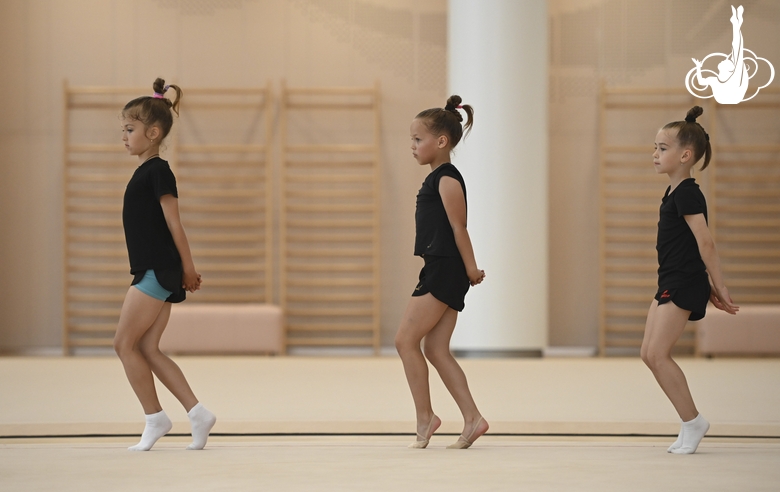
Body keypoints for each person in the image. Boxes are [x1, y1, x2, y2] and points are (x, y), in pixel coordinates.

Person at [114, 78, 216, 451]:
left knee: (124, 343)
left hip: (157, 269)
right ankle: (197, 412)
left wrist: (188, 268)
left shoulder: (158, 171)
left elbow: (175, 223)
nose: (123, 136)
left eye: (129, 129)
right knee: (148, 348)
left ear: (153, 133)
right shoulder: (146, 171)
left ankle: (155, 417)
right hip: (155, 268)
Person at [642, 106, 739, 454]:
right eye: (654, 147)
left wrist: (719, 284)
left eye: (662, 148)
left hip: (682, 281)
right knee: (648, 353)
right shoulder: (673, 193)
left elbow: (705, 241)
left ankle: (693, 421)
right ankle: (689, 422)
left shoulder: (687, 192)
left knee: (658, 353)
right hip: (671, 278)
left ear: (685, 155)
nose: (655, 154)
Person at [395, 95, 489, 449]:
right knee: (435, 348)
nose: (413, 146)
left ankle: (425, 417)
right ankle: (473, 418)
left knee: (405, 341)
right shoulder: (438, 177)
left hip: (445, 269)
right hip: (441, 267)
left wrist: (471, 268)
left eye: (418, 140)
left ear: (441, 141)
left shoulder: (447, 179)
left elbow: (459, 227)